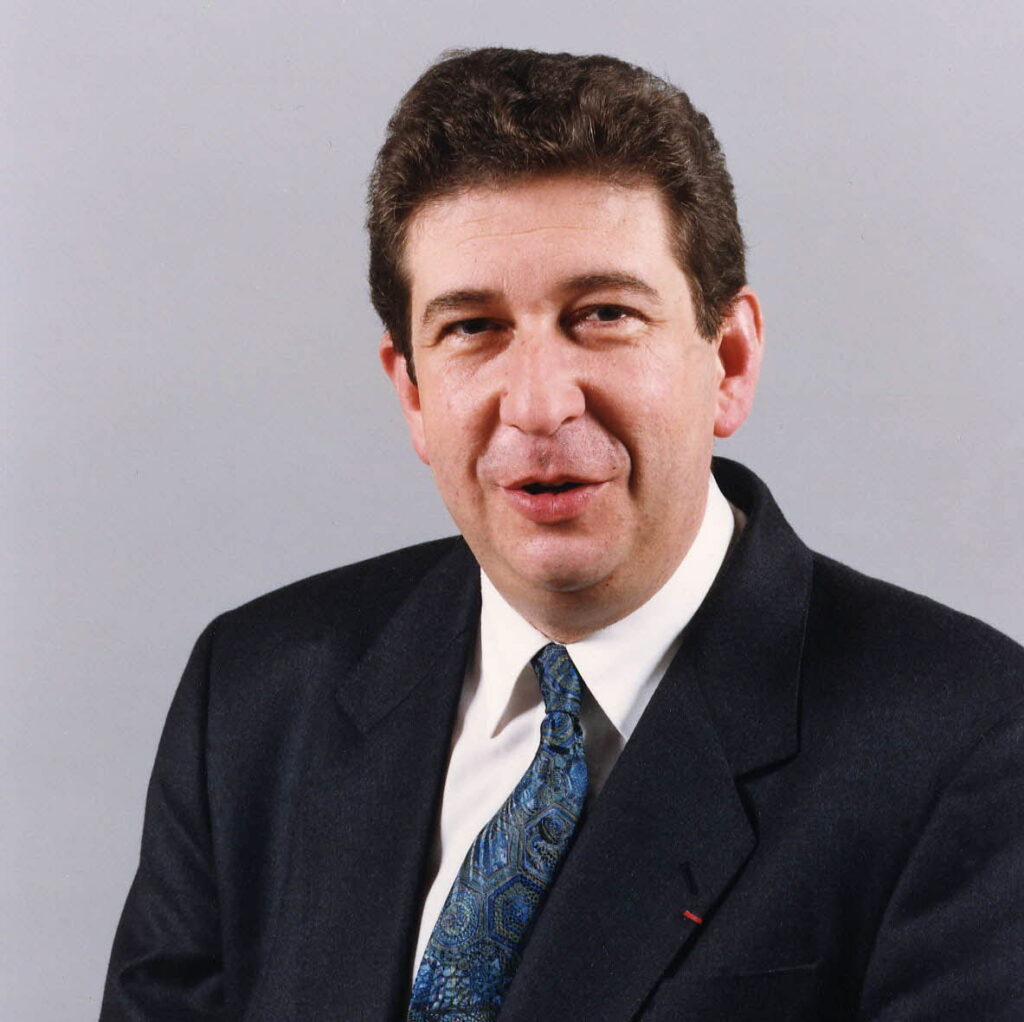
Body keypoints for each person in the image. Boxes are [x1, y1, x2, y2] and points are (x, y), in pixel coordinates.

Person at [101, 47, 1024, 1021]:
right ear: (411, 393)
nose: (539, 403)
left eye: (604, 314)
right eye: (472, 328)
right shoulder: (253, 693)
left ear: (730, 359)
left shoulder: (965, 740)